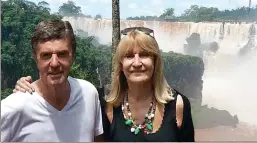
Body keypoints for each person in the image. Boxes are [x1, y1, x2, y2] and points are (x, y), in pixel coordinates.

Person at [13, 27, 195, 142]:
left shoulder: (178, 105)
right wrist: (30, 87)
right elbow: (61, 86)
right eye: (129, 56)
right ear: (120, 65)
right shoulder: (102, 101)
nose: (137, 62)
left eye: (145, 55)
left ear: (156, 62)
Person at [1, 20, 103, 142]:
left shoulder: (88, 94)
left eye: (62, 54)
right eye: (46, 55)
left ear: (73, 56)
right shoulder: (13, 108)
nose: (54, 63)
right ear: (35, 58)